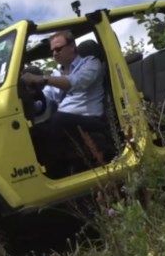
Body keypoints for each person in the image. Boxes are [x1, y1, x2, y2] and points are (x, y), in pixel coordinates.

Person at [21, 31, 106, 177]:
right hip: (66, 121)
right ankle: (47, 177)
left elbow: (76, 82)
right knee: (33, 131)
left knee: (58, 119)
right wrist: (31, 99)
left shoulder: (91, 63)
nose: (54, 53)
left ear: (72, 46)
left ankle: (59, 174)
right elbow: (46, 100)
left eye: (58, 49)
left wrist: (42, 78)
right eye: (52, 50)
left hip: (91, 120)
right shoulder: (56, 73)